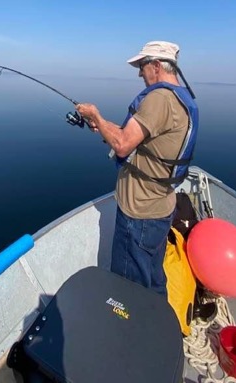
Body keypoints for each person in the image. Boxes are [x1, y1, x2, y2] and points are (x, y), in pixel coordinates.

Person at [76, 41, 199, 296]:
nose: (139, 73)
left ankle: (129, 332)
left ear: (156, 65)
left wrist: (96, 115)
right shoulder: (178, 97)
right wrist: (103, 127)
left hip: (139, 212)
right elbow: (132, 137)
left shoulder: (159, 99)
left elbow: (122, 145)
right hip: (160, 207)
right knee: (153, 280)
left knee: (128, 289)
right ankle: (157, 329)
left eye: (142, 66)